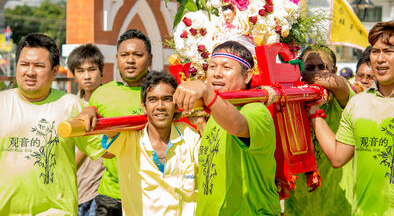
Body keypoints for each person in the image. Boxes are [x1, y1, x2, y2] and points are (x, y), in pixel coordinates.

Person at [0, 33, 99, 215]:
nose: (30, 71)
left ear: (55, 71)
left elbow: (106, 150)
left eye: (39, 66)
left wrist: (99, 113)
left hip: (57, 211)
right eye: (24, 64)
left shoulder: (72, 106)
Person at [173, 41, 281, 215]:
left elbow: (237, 126)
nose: (217, 73)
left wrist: (208, 93)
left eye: (226, 67)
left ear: (247, 76)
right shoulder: (215, 113)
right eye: (212, 67)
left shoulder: (256, 110)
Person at [310, 20, 394, 215]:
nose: (380, 59)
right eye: (375, 51)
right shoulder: (357, 104)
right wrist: (314, 113)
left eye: (388, 51)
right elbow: (338, 157)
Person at [100, 70, 200, 215]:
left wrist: (201, 121)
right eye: (153, 100)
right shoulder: (128, 139)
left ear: (176, 104)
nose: (160, 106)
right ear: (144, 106)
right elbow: (103, 127)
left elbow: (211, 165)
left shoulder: (189, 134)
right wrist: (89, 111)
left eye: (167, 99)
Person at [77, 29, 152, 216]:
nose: (130, 60)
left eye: (138, 55)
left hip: (152, 191)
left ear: (150, 58)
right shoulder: (102, 95)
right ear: (117, 58)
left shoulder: (161, 92)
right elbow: (85, 137)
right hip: (111, 195)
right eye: (125, 55)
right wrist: (106, 150)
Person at [285, 44, 355, 215]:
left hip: (338, 204)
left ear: (335, 70)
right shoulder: (293, 97)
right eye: (310, 67)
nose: (318, 73)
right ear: (301, 71)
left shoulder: (342, 96)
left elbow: (338, 83)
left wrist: (305, 75)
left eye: (323, 67)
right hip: (297, 205)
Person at [67, 44, 105, 216]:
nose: (87, 76)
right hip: (75, 191)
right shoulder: (69, 107)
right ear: (74, 75)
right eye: (80, 71)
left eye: (92, 69)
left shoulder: (111, 102)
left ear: (101, 71)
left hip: (102, 192)